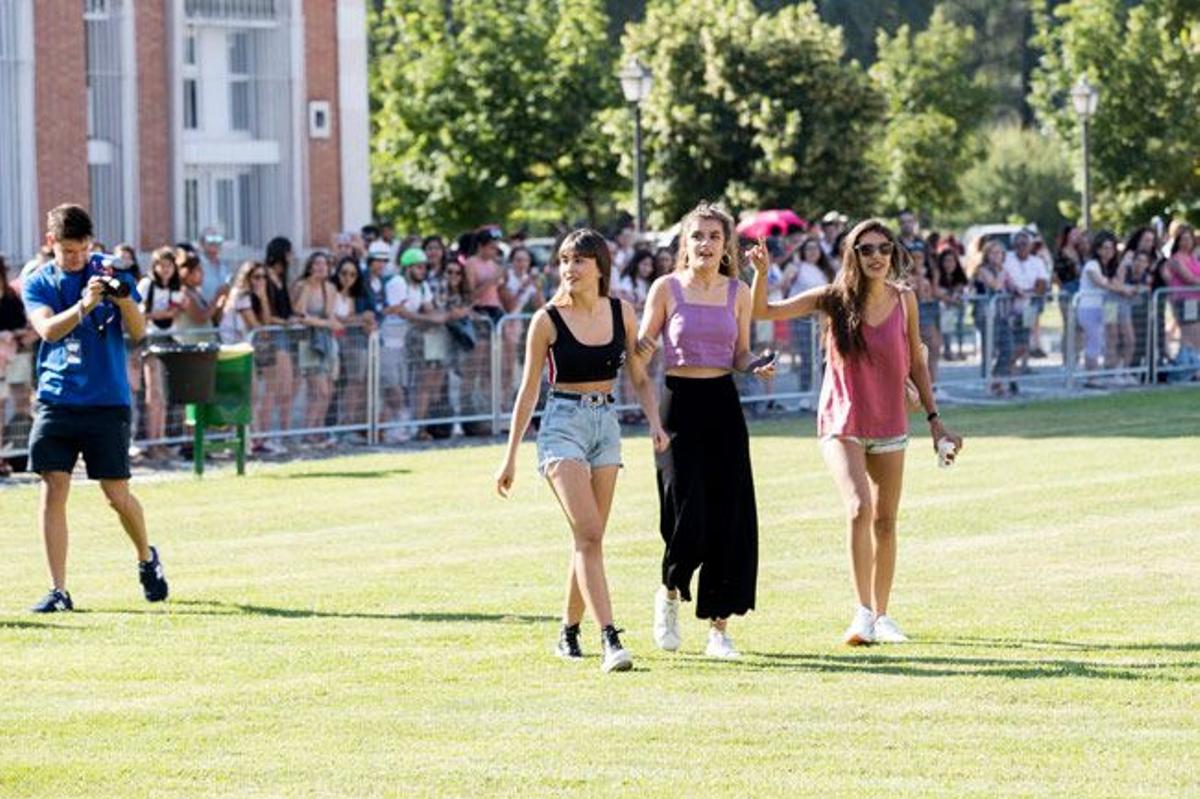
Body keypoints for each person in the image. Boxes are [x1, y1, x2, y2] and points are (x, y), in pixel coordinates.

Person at [751, 218, 962, 645]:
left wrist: (935, 421)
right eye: (866, 249)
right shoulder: (833, 299)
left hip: (889, 420)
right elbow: (764, 311)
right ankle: (862, 613)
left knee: (885, 522)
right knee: (858, 507)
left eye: (884, 248)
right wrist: (759, 275)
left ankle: (883, 616)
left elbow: (917, 362)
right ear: (853, 255)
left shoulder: (905, 301)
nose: (877, 256)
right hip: (841, 421)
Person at [494, 228, 668, 673]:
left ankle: (568, 630)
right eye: (564, 260)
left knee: (587, 539)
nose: (569, 268)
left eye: (579, 260)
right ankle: (610, 639)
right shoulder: (546, 320)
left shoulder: (622, 312)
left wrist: (654, 423)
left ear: (599, 267)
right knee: (589, 534)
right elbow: (529, 391)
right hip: (562, 425)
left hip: (606, 424)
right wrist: (510, 455)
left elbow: (640, 375)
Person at [636, 202, 775, 660]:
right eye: (697, 236)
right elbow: (643, 350)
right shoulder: (666, 288)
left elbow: (739, 353)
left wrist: (756, 365)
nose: (706, 244)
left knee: (727, 516)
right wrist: (628, 343)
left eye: (714, 236)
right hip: (679, 406)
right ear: (685, 243)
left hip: (723, 407)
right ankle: (671, 590)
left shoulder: (737, 292)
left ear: (726, 244)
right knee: (685, 513)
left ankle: (719, 629)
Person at [20, 204, 168, 612]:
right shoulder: (39, 281)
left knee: (116, 495)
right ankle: (58, 590)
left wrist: (122, 299)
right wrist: (85, 304)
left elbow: (139, 332)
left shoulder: (109, 269)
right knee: (53, 489)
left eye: (83, 249)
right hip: (57, 399)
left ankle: (146, 558)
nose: (77, 258)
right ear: (51, 244)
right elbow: (48, 330)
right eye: (69, 251)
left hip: (106, 400)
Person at [137, 247, 184, 460]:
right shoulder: (147, 284)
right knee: (153, 392)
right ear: (154, 266)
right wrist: (162, 313)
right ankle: (151, 441)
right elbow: (138, 313)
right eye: (161, 265)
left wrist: (171, 313)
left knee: (164, 394)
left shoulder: (176, 287)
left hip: (170, 338)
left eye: (169, 265)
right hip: (151, 339)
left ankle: (161, 439)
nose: (165, 270)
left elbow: (177, 311)